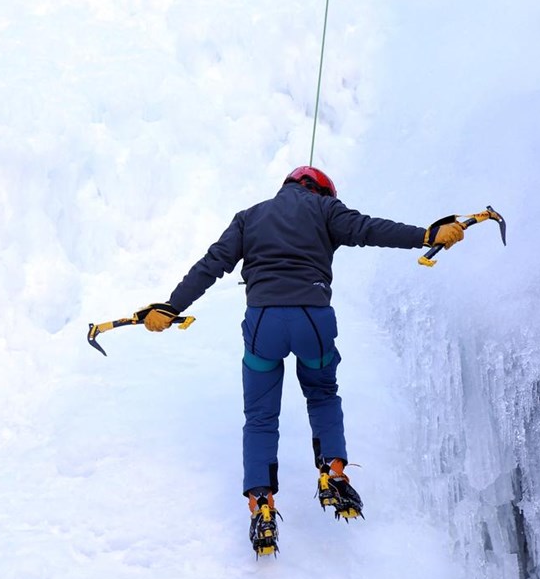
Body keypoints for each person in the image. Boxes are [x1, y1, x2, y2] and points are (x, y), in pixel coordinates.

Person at [140, 166, 464, 556]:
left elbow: (212, 264)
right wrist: (427, 235)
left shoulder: (249, 217)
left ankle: (261, 502)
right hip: (313, 320)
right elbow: (369, 229)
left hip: (264, 324)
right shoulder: (327, 211)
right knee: (323, 395)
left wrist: (171, 306)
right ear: (323, 192)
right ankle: (333, 473)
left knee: (260, 417)